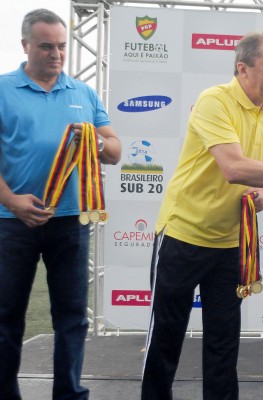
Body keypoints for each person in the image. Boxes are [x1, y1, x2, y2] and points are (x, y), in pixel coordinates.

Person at [140, 32, 263, 400]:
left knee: (223, 345)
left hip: (232, 244)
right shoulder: (214, 100)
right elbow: (233, 168)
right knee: (165, 339)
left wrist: (262, 193)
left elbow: (262, 174)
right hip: (182, 236)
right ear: (242, 68)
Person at [0, 8, 121, 400]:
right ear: (25, 46)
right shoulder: (2, 90)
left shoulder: (82, 92)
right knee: (5, 319)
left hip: (70, 221)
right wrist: (12, 201)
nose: (56, 54)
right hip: (10, 222)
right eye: (46, 46)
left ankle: (69, 394)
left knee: (71, 318)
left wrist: (97, 145)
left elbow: (115, 149)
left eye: (62, 47)